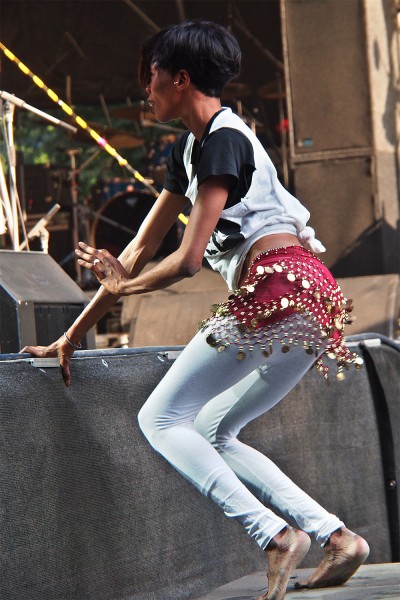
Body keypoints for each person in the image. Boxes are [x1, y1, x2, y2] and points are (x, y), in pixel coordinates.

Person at [22, 20, 369, 600]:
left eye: (152, 77)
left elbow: (184, 262)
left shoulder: (224, 140)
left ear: (180, 79)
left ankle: (273, 535)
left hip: (276, 289)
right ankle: (334, 536)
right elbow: (132, 257)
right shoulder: (191, 150)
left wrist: (125, 289)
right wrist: (73, 335)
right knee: (213, 428)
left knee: (160, 420)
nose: (146, 90)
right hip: (314, 297)